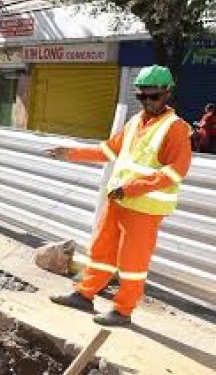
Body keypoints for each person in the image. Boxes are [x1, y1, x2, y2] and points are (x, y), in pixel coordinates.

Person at [47, 65, 192, 327]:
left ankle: (123, 310)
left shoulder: (176, 128)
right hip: (118, 201)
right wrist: (72, 153)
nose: (147, 102)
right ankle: (85, 295)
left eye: (154, 97)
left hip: (144, 208)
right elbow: (108, 152)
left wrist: (132, 188)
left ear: (167, 94)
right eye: (142, 97)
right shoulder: (135, 122)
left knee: (132, 262)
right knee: (101, 250)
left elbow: (175, 172)